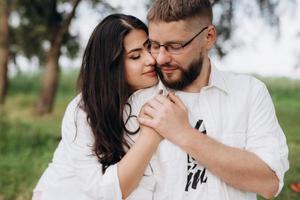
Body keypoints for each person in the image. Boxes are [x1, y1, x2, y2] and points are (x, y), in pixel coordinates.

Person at [127, 0, 289, 199]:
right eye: (154, 45)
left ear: (209, 37)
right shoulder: (138, 101)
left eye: (175, 46)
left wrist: (184, 134)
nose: (160, 58)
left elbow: (269, 183)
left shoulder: (249, 93)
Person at [33, 13, 163, 200]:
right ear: (111, 66)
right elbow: (104, 192)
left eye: (150, 48)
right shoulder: (84, 110)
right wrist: (149, 137)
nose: (150, 59)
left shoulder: (155, 93)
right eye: (135, 56)